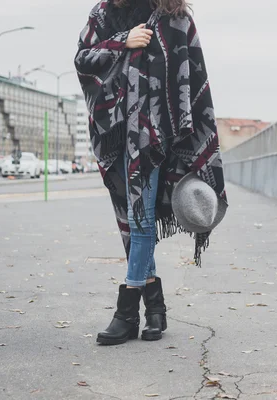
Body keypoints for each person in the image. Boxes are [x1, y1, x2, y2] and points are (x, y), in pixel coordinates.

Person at [75, 0, 227, 346]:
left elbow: (192, 75)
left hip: (155, 137)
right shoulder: (101, 15)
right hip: (114, 133)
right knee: (131, 220)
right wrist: (120, 42)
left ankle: (126, 313)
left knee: (140, 218)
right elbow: (82, 59)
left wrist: (178, 127)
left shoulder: (175, 19)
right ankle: (155, 308)